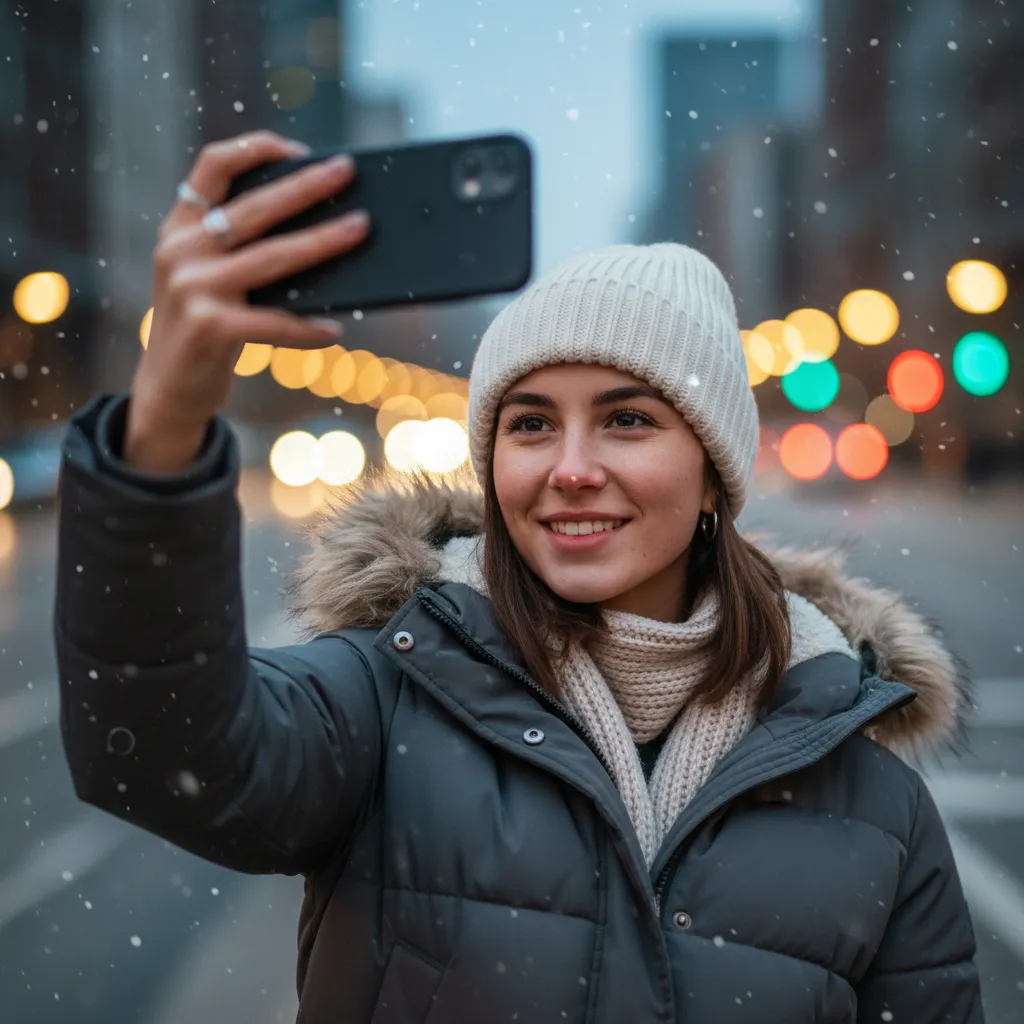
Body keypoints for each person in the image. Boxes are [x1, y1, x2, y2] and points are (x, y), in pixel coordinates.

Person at [55, 130, 983, 1023]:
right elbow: (163, 753)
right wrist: (165, 420)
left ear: (714, 475)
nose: (570, 469)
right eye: (531, 424)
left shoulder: (874, 799)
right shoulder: (387, 695)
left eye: (627, 420)